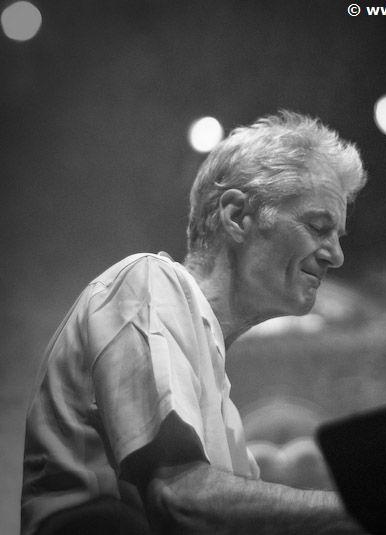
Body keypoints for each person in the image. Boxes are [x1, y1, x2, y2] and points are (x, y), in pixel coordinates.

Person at [21, 111, 368, 534]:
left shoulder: (221, 396)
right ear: (236, 215)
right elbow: (180, 498)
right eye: (318, 227)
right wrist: (372, 513)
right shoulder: (147, 282)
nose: (336, 255)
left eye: (337, 237)